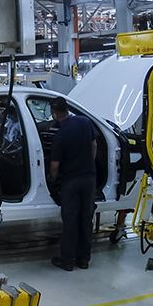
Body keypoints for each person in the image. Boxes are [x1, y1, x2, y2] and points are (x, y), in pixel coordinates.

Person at [48, 97, 98, 271]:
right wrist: (88, 164)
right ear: (67, 108)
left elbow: (54, 166)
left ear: (54, 114)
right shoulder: (85, 122)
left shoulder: (60, 135)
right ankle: (83, 260)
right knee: (86, 219)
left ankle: (67, 260)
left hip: (70, 182)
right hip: (89, 179)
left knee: (71, 221)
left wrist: (53, 179)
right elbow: (94, 145)